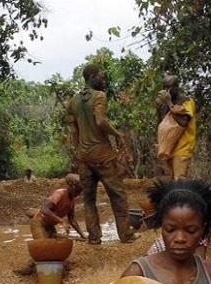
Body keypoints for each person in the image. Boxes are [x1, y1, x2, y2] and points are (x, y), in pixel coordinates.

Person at [67, 63, 139, 245]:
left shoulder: (73, 101)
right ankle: (126, 234)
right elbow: (100, 120)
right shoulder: (99, 96)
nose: (103, 80)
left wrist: (79, 153)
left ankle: (94, 237)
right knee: (118, 195)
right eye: (101, 76)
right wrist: (117, 134)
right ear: (92, 77)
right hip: (103, 156)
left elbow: (74, 132)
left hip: (84, 158)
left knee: (89, 199)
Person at [155, 75, 196, 179]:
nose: (166, 90)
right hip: (169, 148)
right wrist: (158, 108)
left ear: (177, 87)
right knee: (173, 179)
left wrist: (169, 102)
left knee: (179, 179)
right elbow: (161, 124)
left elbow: (183, 121)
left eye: (169, 87)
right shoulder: (164, 104)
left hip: (183, 146)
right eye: (164, 87)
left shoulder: (186, 100)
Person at [29, 173, 85, 240]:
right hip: (39, 223)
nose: (78, 194)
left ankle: (55, 235)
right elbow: (44, 209)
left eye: (80, 192)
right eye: (77, 191)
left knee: (57, 243)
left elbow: (72, 219)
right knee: (43, 244)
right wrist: (61, 221)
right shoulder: (59, 193)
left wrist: (82, 235)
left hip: (50, 226)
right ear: (71, 186)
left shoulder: (72, 201)